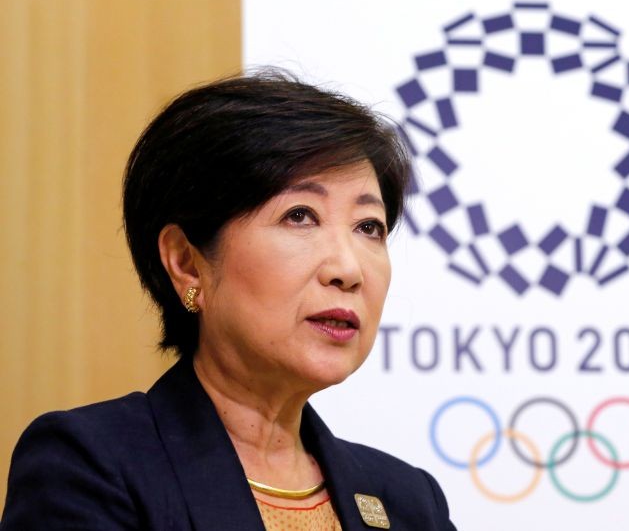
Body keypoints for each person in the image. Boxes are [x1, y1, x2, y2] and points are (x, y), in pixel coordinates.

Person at [1, 71, 457, 530]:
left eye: (368, 227)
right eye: (300, 216)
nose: (349, 269)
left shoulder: (408, 501)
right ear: (187, 263)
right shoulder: (90, 467)